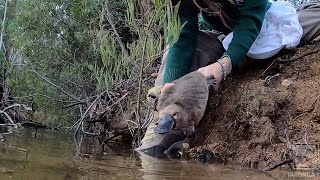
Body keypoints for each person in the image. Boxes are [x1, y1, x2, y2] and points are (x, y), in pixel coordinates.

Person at [137, 0, 320, 155]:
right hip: (224, 39)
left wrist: (224, 65)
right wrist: (170, 88)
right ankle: (165, 129)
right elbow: (182, 35)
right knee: (177, 51)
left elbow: (250, 22)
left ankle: (244, 59)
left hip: (266, 25)